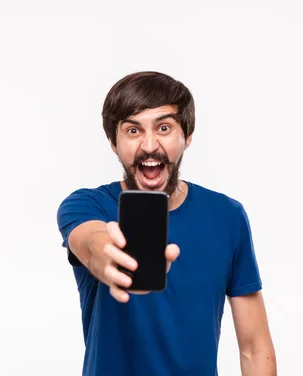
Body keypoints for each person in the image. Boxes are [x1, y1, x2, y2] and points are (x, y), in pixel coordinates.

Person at [56, 71, 277, 376]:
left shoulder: (227, 216)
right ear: (113, 142)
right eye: (133, 131)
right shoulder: (86, 205)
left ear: (186, 136)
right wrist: (108, 254)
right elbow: (92, 242)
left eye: (163, 127)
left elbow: (254, 348)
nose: (149, 145)